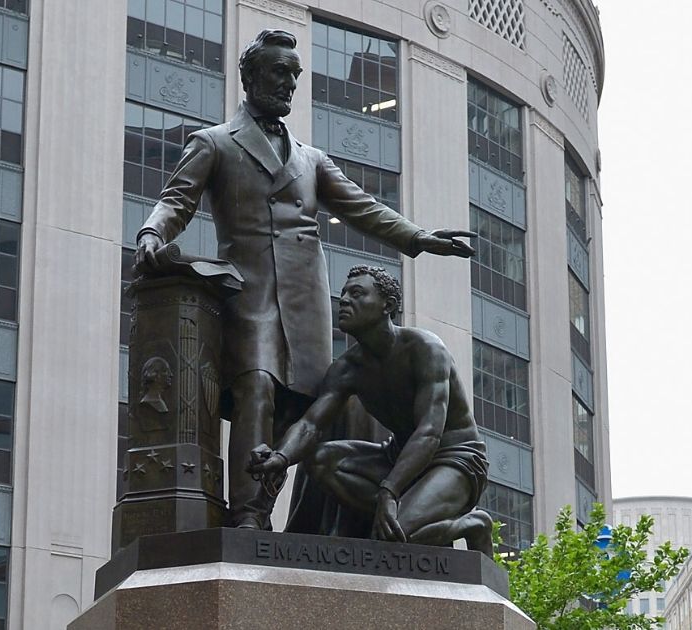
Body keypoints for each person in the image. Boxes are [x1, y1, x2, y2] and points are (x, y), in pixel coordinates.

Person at [134, 29, 475, 529]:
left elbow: (363, 208)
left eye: (295, 75)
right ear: (250, 76)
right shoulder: (214, 143)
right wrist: (150, 232)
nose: (289, 83)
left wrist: (418, 238)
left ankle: (314, 523)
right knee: (258, 389)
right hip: (250, 295)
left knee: (310, 409)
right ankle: (249, 515)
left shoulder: (311, 158)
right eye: (278, 72)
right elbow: (176, 199)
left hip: (307, 303)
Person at [247, 265, 493, 554]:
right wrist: (280, 457)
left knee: (391, 539)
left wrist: (389, 491)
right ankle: (402, 515)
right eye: (343, 295)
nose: (344, 301)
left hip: (454, 460)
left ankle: (472, 524)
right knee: (321, 459)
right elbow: (311, 425)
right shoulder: (347, 368)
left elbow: (429, 432)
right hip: (397, 459)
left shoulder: (425, 349)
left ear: (387, 305)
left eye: (357, 294)